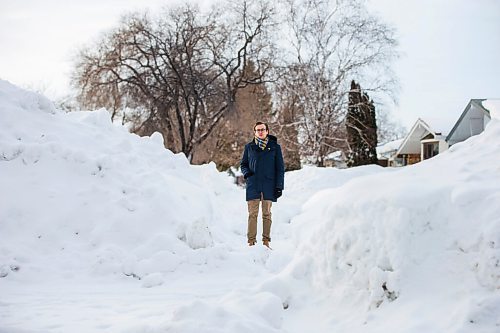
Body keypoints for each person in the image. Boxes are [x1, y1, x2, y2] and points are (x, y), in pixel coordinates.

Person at [240, 121, 285, 248]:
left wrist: (279, 186)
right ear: (254, 132)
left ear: (267, 131)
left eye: (262, 129)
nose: (260, 132)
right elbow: (243, 164)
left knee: (267, 214)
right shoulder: (249, 147)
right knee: (252, 214)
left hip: (268, 185)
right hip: (253, 184)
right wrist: (247, 173)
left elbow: (280, 168)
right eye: (258, 130)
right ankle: (251, 242)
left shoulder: (275, 147)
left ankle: (266, 242)